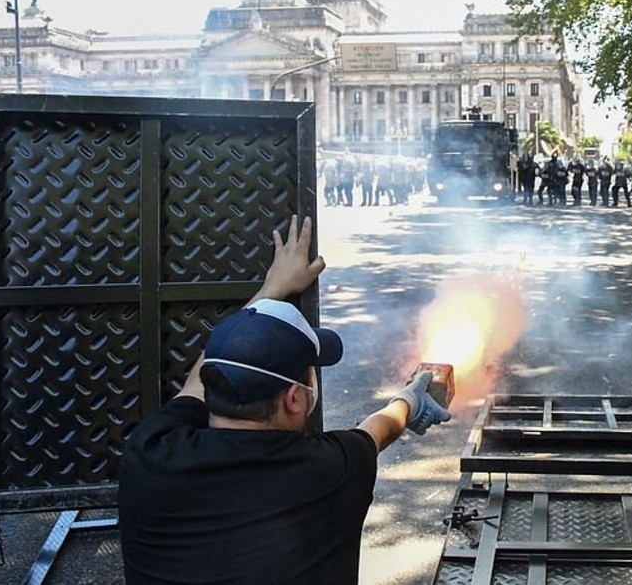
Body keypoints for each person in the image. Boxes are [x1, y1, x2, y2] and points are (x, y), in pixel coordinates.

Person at [118, 216, 452, 585]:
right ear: (295, 398)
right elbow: (377, 430)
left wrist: (271, 289)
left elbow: (194, 387)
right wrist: (409, 399)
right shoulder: (329, 471)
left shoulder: (147, 453)